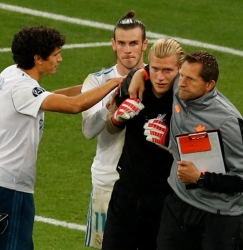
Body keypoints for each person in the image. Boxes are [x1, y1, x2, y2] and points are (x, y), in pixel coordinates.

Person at [0, 25, 122, 250]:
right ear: (38, 58)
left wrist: (95, 85)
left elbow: (50, 97)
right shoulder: (23, 88)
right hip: (10, 187)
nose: (60, 59)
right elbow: (74, 105)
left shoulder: (10, 74)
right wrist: (113, 83)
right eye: (56, 54)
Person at [130, 51, 243, 250]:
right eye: (182, 75)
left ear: (209, 85)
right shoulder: (179, 89)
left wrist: (200, 178)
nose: (181, 83)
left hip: (218, 217)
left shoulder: (229, 122)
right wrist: (139, 74)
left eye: (190, 79)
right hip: (178, 203)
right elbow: (160, 68)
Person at [102, 38, 185, 250]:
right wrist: (116, 119)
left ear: (180, 69)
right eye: (155, 68)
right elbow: (113, 128)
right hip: (126, 191)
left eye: (168, 70)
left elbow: (199, 152)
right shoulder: (134, 83)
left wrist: (169, 141)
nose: (160, 77)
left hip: (165, 197)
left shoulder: (187, 99)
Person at [81, 11, 148, 249]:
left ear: (144, 45)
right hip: (108, 180)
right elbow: (88, 131)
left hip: (149, 183)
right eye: (121, 43)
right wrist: (109, 110)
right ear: (113, 44)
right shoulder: (97, 82)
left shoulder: (158, 79)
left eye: (133, 43)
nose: (127, 50)